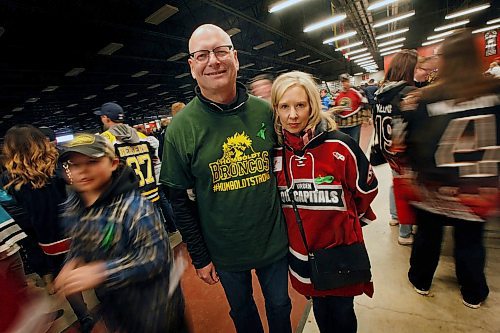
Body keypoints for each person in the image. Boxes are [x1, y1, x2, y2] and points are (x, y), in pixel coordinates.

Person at [161, 23, 291, 333]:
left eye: (221, 51)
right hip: (224, 250)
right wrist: (200, 255)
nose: (213, 61)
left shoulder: (266, 113)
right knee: (243, 312)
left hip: (274, 241)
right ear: (192, 67)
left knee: (280, 305)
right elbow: (178, 200)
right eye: (202, 55)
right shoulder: (180, 129)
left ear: (236, 58)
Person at [271, 71, 378, 332]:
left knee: (342, 315)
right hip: (302, 258)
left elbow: (366, 191)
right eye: (284, 107)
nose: (293, 115)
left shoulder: (341, 146)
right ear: (276, 110)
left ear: (312, 106)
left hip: (340, 255)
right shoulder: (274, 154)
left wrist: (345, 225)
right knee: (320, 311)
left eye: (300, 105)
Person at [401, 30, 500, 309]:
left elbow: (412, 141)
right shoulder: (494, 93)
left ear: (445, 60)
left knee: (428, 238)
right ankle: (473, 292)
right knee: (470, 242)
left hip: (434, 186)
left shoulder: (427, 97)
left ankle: (421, 280)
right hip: (478, 187)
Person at [55, 133, 186, 332]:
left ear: (113, 163)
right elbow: (80, 242)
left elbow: (155, 257)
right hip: (117, 309)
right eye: (73, 164)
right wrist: (73, 260)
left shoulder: (135, 208)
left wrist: (102, 271)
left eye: (92, 161)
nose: (82, 171)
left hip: (156, 310)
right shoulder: (73, 206)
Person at [2, 125, 93, 331]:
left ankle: (84, 317)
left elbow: (19, 208)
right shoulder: (60, 164)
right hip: (78, 228)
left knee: (67, 278)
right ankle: (109, 298)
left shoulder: (9, 177)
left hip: (48, 238)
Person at [374, 49, 419, 245]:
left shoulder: (380, 93)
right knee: (407, 188)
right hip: (404, 149)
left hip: (388, 148)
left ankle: (395, 216)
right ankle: (405, 231)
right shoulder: (407, 94)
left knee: (396, 183)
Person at [95, 102, 161, 204]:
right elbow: (156, 164)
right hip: (152, 195)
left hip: (128, 202)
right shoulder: (142, 137)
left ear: (105, 118)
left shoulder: (104, 141)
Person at [333, 74, 367, 143]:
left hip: (354, 124)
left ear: (349, 81)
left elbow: (365, 105)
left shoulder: (357, 92)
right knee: (344, 145)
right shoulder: (337, 95)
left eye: (346, 81)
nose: (344, 84)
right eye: (342, 82)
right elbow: (334, 109)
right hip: (341, 125)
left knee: (354, 144)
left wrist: (366, 118)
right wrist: (335, 118)